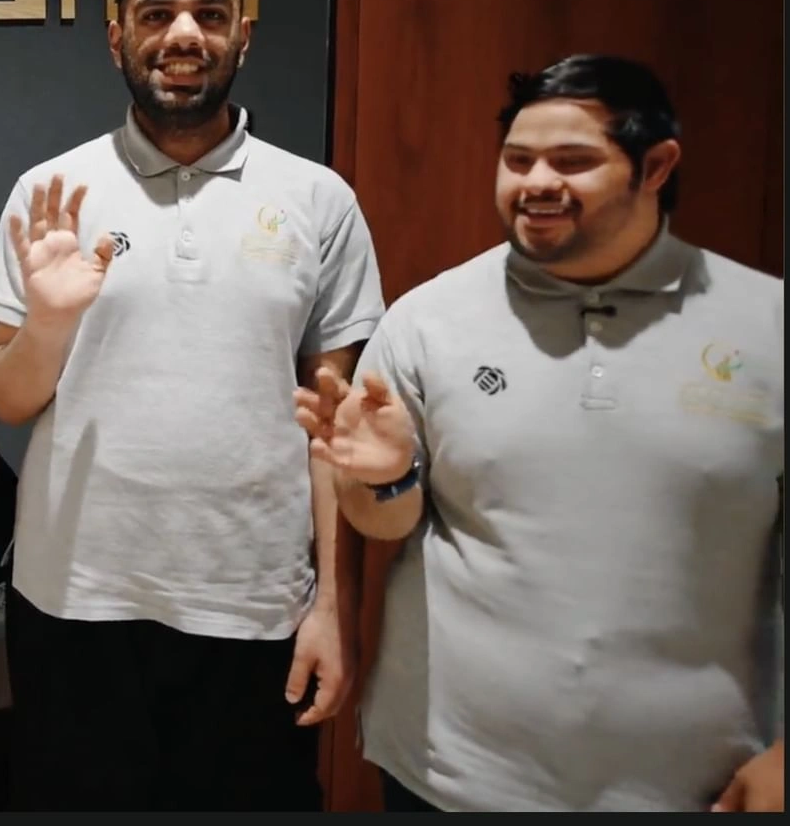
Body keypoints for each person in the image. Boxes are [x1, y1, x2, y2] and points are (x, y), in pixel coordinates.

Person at [294, 54, 784, 813]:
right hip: (447, 773)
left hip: (696, 784)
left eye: (573, 160)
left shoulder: (766, 325)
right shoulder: (428, 320)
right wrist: (382, 475)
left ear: (656, 166)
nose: (536, 182)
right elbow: (384, 520)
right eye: (517, 160)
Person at [0, 0, 384, 811]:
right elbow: (7, 396)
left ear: (243, 31)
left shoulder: (318, 199)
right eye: (155, 13)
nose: (183, 34)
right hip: (74, 602)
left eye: (209, 12)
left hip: (253, 607)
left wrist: (331, 604)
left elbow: (335, 428)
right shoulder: (50, 191)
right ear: (115, 33)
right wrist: (49, 318)